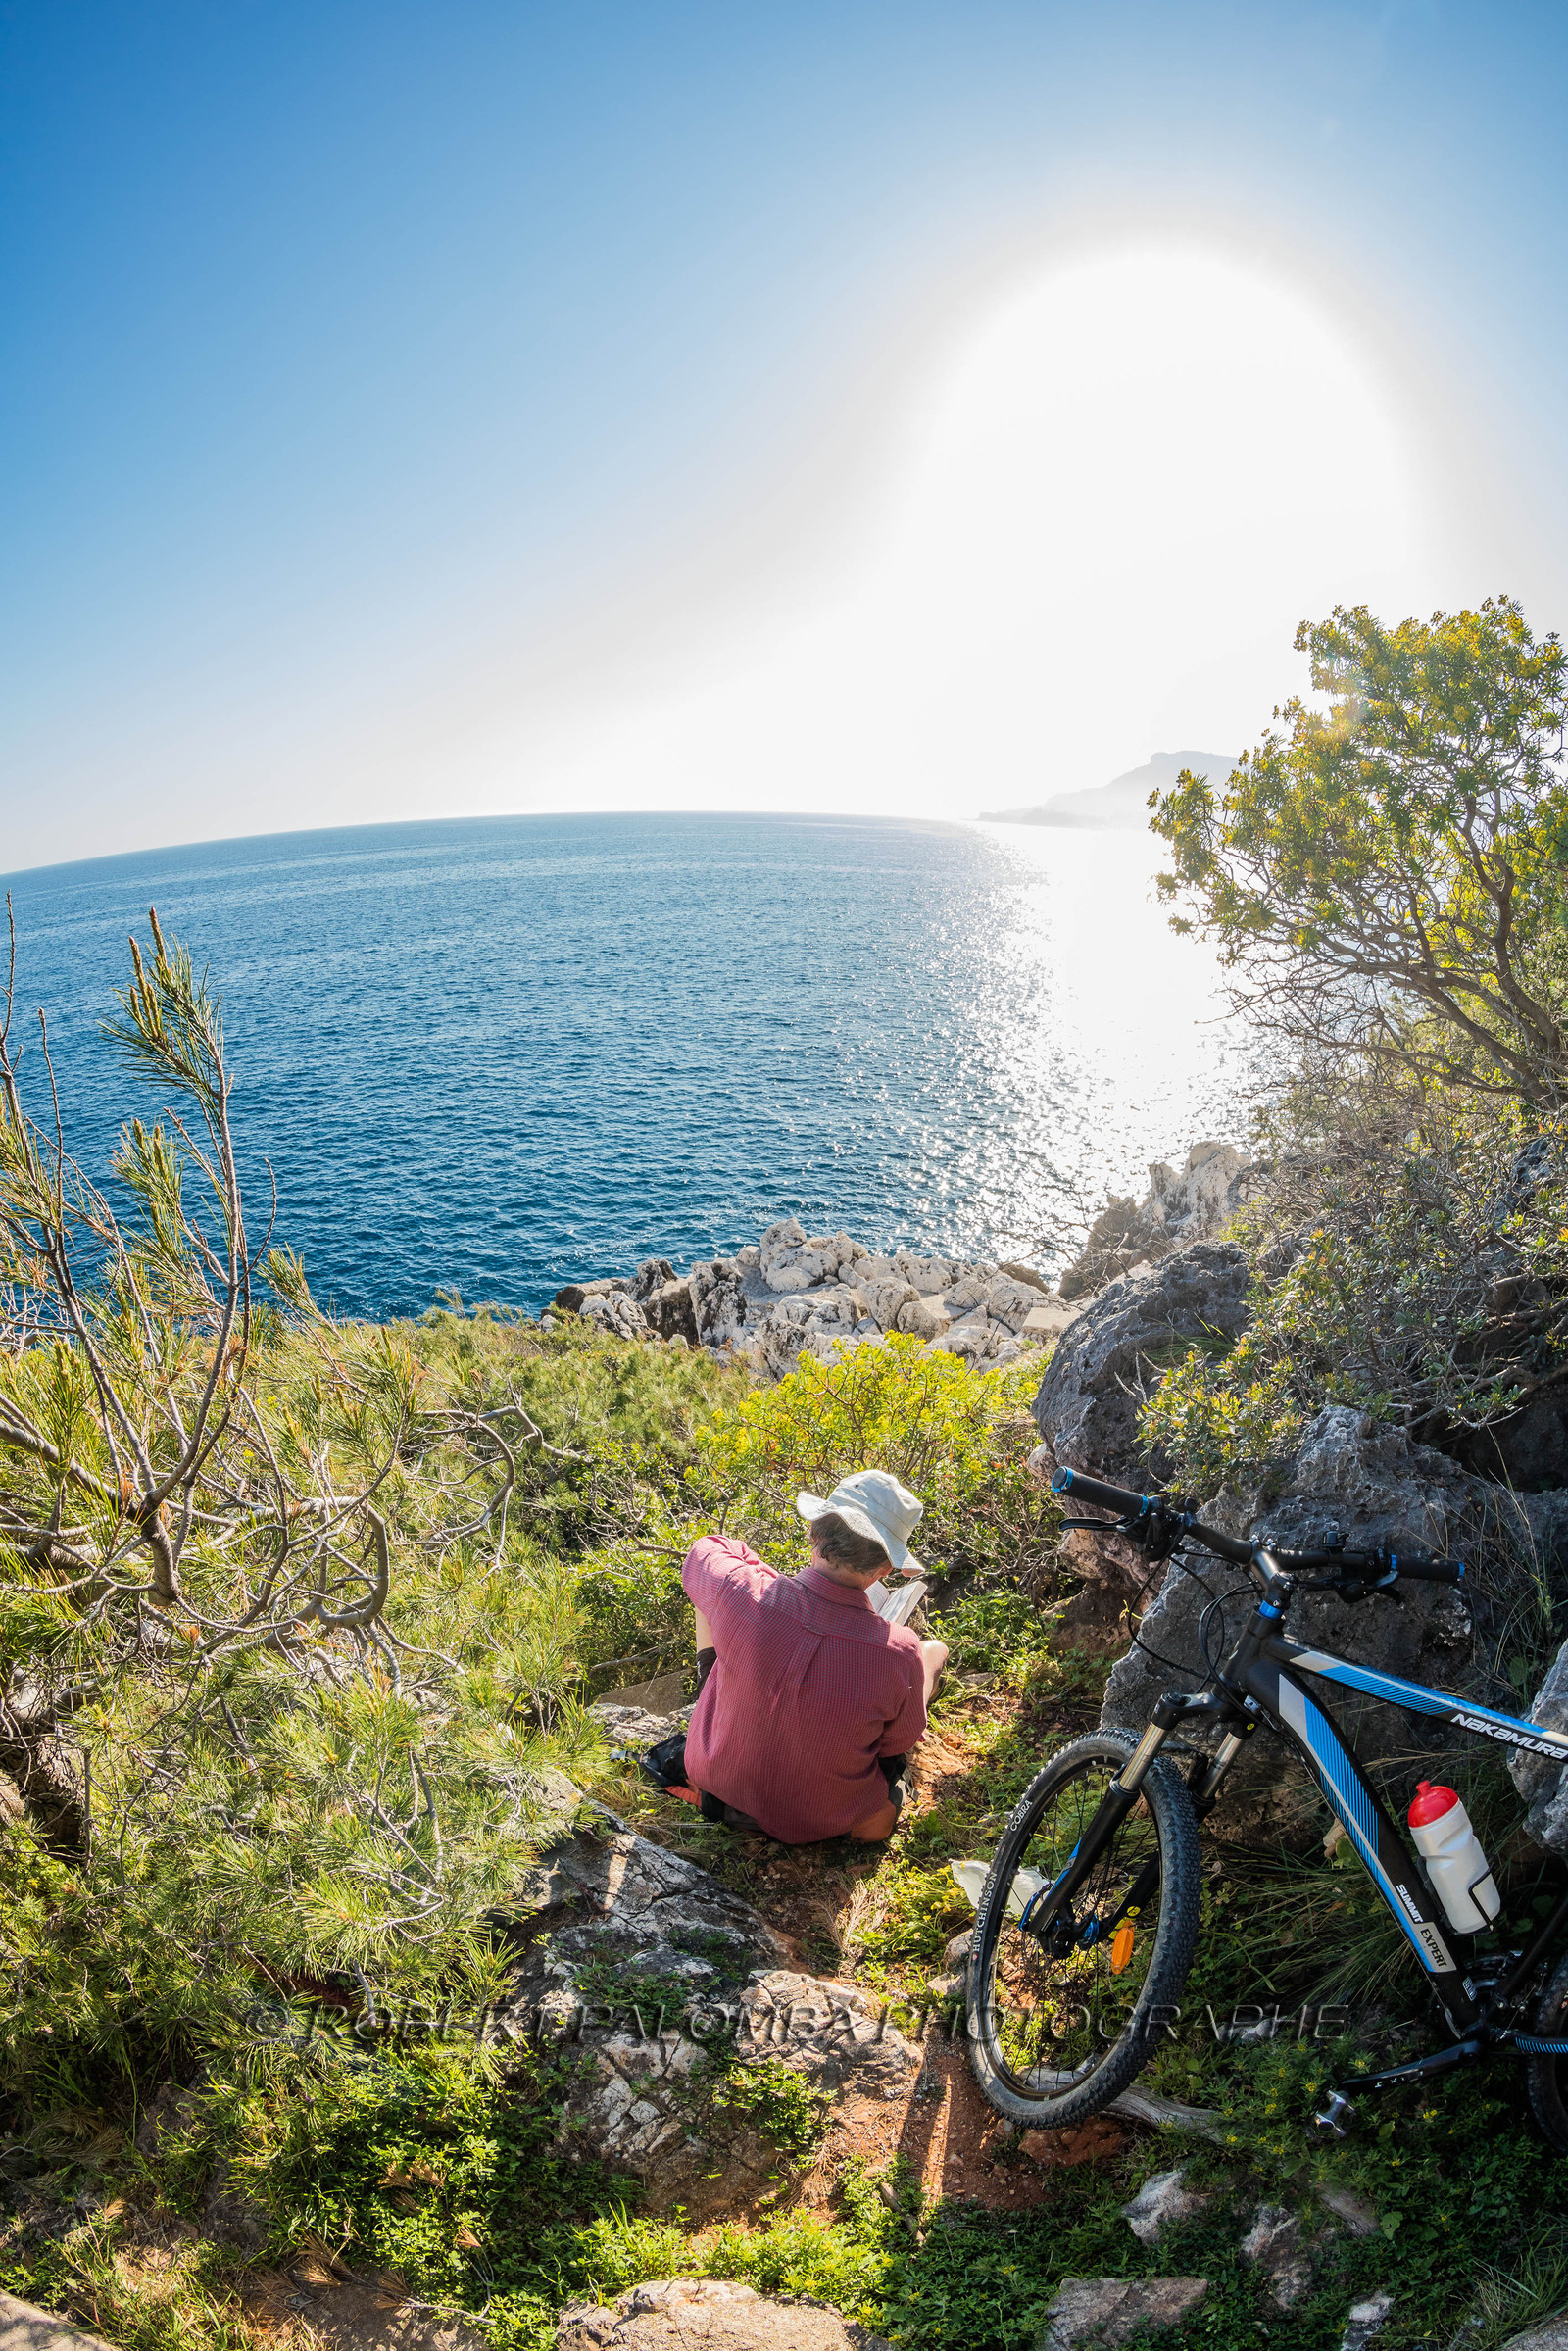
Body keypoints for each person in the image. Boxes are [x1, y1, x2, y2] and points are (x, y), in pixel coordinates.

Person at [676, 1469, 949, 1844]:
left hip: (716, 1786)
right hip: (820, 1822)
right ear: (885, 1569)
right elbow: (895, 1744)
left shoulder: (742, 1590)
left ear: (814, 1532)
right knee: (931, 1652)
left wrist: (771, 1584)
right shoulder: (898, 1651)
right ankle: (933, 1661)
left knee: (710, 1601)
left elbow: (706, 1547)